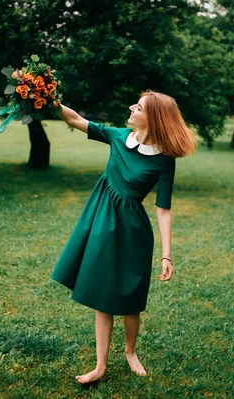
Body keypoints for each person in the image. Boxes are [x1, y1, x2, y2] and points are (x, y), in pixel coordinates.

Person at [50, 90, 198, 384]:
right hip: (101, 224)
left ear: (152, 118)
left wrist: (167, 255)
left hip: (134, 232)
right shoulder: (118, 137)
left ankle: (130, 352)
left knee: (130, 297)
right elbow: (74, 118)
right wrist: (45, 98)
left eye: (139, 107)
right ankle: (100, 366)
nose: (131, 108)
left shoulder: (164, 160)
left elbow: (164, 209)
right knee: (102, 295)